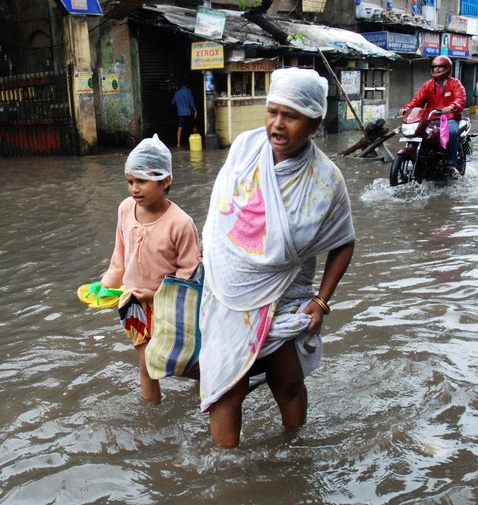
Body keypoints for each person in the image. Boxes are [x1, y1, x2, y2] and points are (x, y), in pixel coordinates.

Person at [198, 67, 355, 448]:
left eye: (291, 116)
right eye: (272, 112)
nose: (277, 125)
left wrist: (321, 301)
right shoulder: (245, 150)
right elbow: (222, 213)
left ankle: (297, 455)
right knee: (226, 393)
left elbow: (344, 242)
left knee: (286, 384)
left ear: (315, 123)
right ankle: (227, 476)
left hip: (286, 295)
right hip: (230, 292)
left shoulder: (326, 181)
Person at [99, 134, 201, 404]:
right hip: (135, 303)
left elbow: (189, 272)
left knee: (184, 361)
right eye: (130, 181)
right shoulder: (125, 209)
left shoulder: (180, 223)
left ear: (165, 181)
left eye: (142, 181)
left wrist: (157, 294)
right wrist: (106, 285)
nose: (135, 189)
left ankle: (207, 385)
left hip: (170, 307)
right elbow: (120, 254)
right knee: (146, 364)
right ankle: (153, 414)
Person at [399, 55, 466, 179]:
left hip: (449, 118)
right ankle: (416, 160)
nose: (437, 70)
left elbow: (460, 99)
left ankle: (452, 165)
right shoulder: (428, 85)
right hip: (431, 119)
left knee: (451, 132)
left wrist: (452, 106)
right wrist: (407, 108)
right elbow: (417, 100)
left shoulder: (455, 84)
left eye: (440, 67)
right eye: (435, 67)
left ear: (447, 68)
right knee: (417, 133)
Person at [171, 83, 197, 148]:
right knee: (193, 126)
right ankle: (195, 140)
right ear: (186, 85)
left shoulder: (177, 93)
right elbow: (192, 102)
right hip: (189, 112)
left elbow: (173, 102)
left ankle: (178, 143)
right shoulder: (189, 91)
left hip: (181, 113)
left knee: (180, 128)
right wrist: (195, 110)